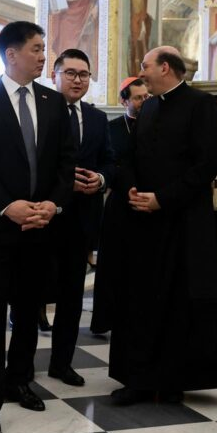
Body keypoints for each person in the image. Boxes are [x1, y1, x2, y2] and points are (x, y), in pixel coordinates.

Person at [108, 46, 217, 405]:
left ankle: (173, 380)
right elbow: (134, 155)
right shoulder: (149, 106)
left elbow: (207, 164)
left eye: (146, 66)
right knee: (143, 300)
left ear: (165, 68)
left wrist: (164, 199)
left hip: (184, 220)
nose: (141, 72)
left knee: (179, 303)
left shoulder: (200, 104)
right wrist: (133, 189)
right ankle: (140, 379)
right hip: (145, 221)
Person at [0, 21, 76, 433]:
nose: (44, 56)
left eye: (44, 49)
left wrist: (52, 205)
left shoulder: (52, 101)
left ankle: (19, 380)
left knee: (28, 313)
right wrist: (8, 206)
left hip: (40, 227)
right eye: (36, 49)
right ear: (11, 54)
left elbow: (65, 162)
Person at [46, 49, 114, 385]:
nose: (77, 80)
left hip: (82, 221)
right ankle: (19, 370)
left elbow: (110, 162)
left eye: (84, 74)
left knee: (72, 299)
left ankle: (61, 363)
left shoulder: (97, 119)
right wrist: (61, 183)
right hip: (44, 219)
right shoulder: (40, 112)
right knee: (31, 296)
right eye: (70, 73)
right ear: (55, 76)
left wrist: (100, 180)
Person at [89, 76, 148, 336]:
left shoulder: (156, 125)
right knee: (113, 265)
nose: (144, 101)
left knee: (141, 266)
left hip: (148, 204)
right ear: (124, 101)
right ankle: (105, 320)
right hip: (120, 204)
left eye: (146, 96)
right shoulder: (111, 128)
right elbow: (108, 163)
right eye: (138, 97)